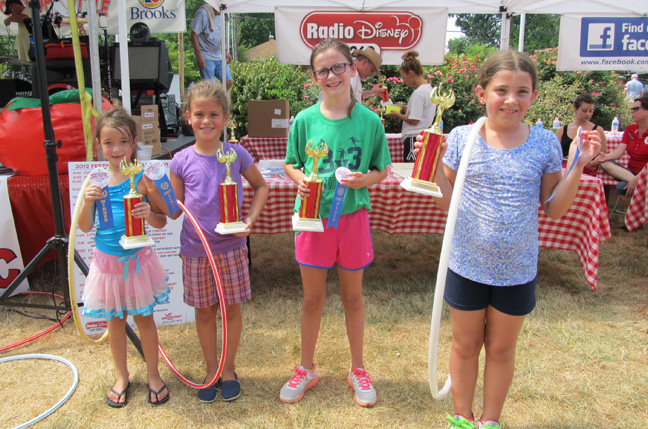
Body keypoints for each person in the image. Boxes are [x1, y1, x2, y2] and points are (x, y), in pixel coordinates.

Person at [415, 50, 601, 428]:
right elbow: (449, 206)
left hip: (516, 270)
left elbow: (553, 209)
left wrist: (578, 165)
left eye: (522, 91)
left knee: (500, 348)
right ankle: (462, 418)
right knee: (465, 345)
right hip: (466, 263)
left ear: (533, 96)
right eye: (502, 90)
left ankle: (491, 421)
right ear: (482, 93)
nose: (511, 99)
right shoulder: (464, 138)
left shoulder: (545, 142)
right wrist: (434, 167)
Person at [280, 38, 391, 407]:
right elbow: (291, 163)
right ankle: (305, 367)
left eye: (338, 67)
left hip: (352, 217)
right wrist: (302, 181)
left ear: (352, 68)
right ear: (315, 78)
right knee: (312, 299)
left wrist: (364, 180)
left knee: (353, 297)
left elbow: (382, 169)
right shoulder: (304, 120)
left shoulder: (370, 121)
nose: (332, 75)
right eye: (323, 70)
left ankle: (358, 368)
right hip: (313, 220)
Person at [168, 80, 268, 403]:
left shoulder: (236, 153)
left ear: (226, 118)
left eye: (214, 114)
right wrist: (148, 193)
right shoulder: (180, 161)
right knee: (205, 313)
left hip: (231, 250)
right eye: (199, 114)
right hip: (196, 252)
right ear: (188, 116)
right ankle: (211, 370)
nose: (206, 121)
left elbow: (261, 187)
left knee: (231, 310)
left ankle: (229, 369)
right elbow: (174, 210)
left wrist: (249, 220)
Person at [78, 107, 171, 408]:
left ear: (133, 143)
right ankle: (122, 376)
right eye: (108, 143)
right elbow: (83, 226)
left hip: (138, 265)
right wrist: (86, 201)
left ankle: (154, 375)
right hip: (107, 267)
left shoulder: (143, 179)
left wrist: (148, 212)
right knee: (115, 323)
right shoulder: (95, 181)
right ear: (99, 145)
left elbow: (162, 220)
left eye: (122, 142)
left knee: (145, 320)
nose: (116, 149)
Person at [385, 50, 436, 162]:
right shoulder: (428, 90)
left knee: (411, 169)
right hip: (421, 136)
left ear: (410, 74)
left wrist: (398, 115)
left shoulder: (418, 93)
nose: (404, 80)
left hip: (414, 136)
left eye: (404, 77)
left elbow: (415, 119)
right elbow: (419, 111)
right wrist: (403, 108)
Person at [599, 95, 648, 196]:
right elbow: (619, 152)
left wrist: (638, 178)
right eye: (632, 109)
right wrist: (605, 157)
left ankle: (637, 182)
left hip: (645, 173)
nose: (632, 111)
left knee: (622, 187)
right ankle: (635, 181)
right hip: (630, 173)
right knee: (605, 163)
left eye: (636, 108)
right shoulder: (630, 129)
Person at [555, 92, 607, 175]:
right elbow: (554, 153)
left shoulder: (598, 130)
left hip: (586, 170)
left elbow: (602, 155)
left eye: (591, 111)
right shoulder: (562, 130)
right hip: (563, 168)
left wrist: (592, 162)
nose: (588, 114)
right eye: (584, 111)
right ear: (575, 109)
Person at [190, 0, 233, 91]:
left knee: (228, 81)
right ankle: (212, 99)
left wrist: (225, 51)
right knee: (210, 87)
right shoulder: (203, 13)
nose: (221, 12)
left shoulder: (219, 15)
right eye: (221, 9)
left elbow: (220, 35)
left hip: (218, 55)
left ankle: (218, 98)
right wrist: (199, 56)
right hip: (206, 55)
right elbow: (194, 35)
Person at [317, 46, 384, 103]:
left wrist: (371, 92)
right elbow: (342, 101)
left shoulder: (352, 73)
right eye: (371, 70)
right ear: (365, 62)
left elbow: (355, 96)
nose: (371, 75)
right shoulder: (350, 74)